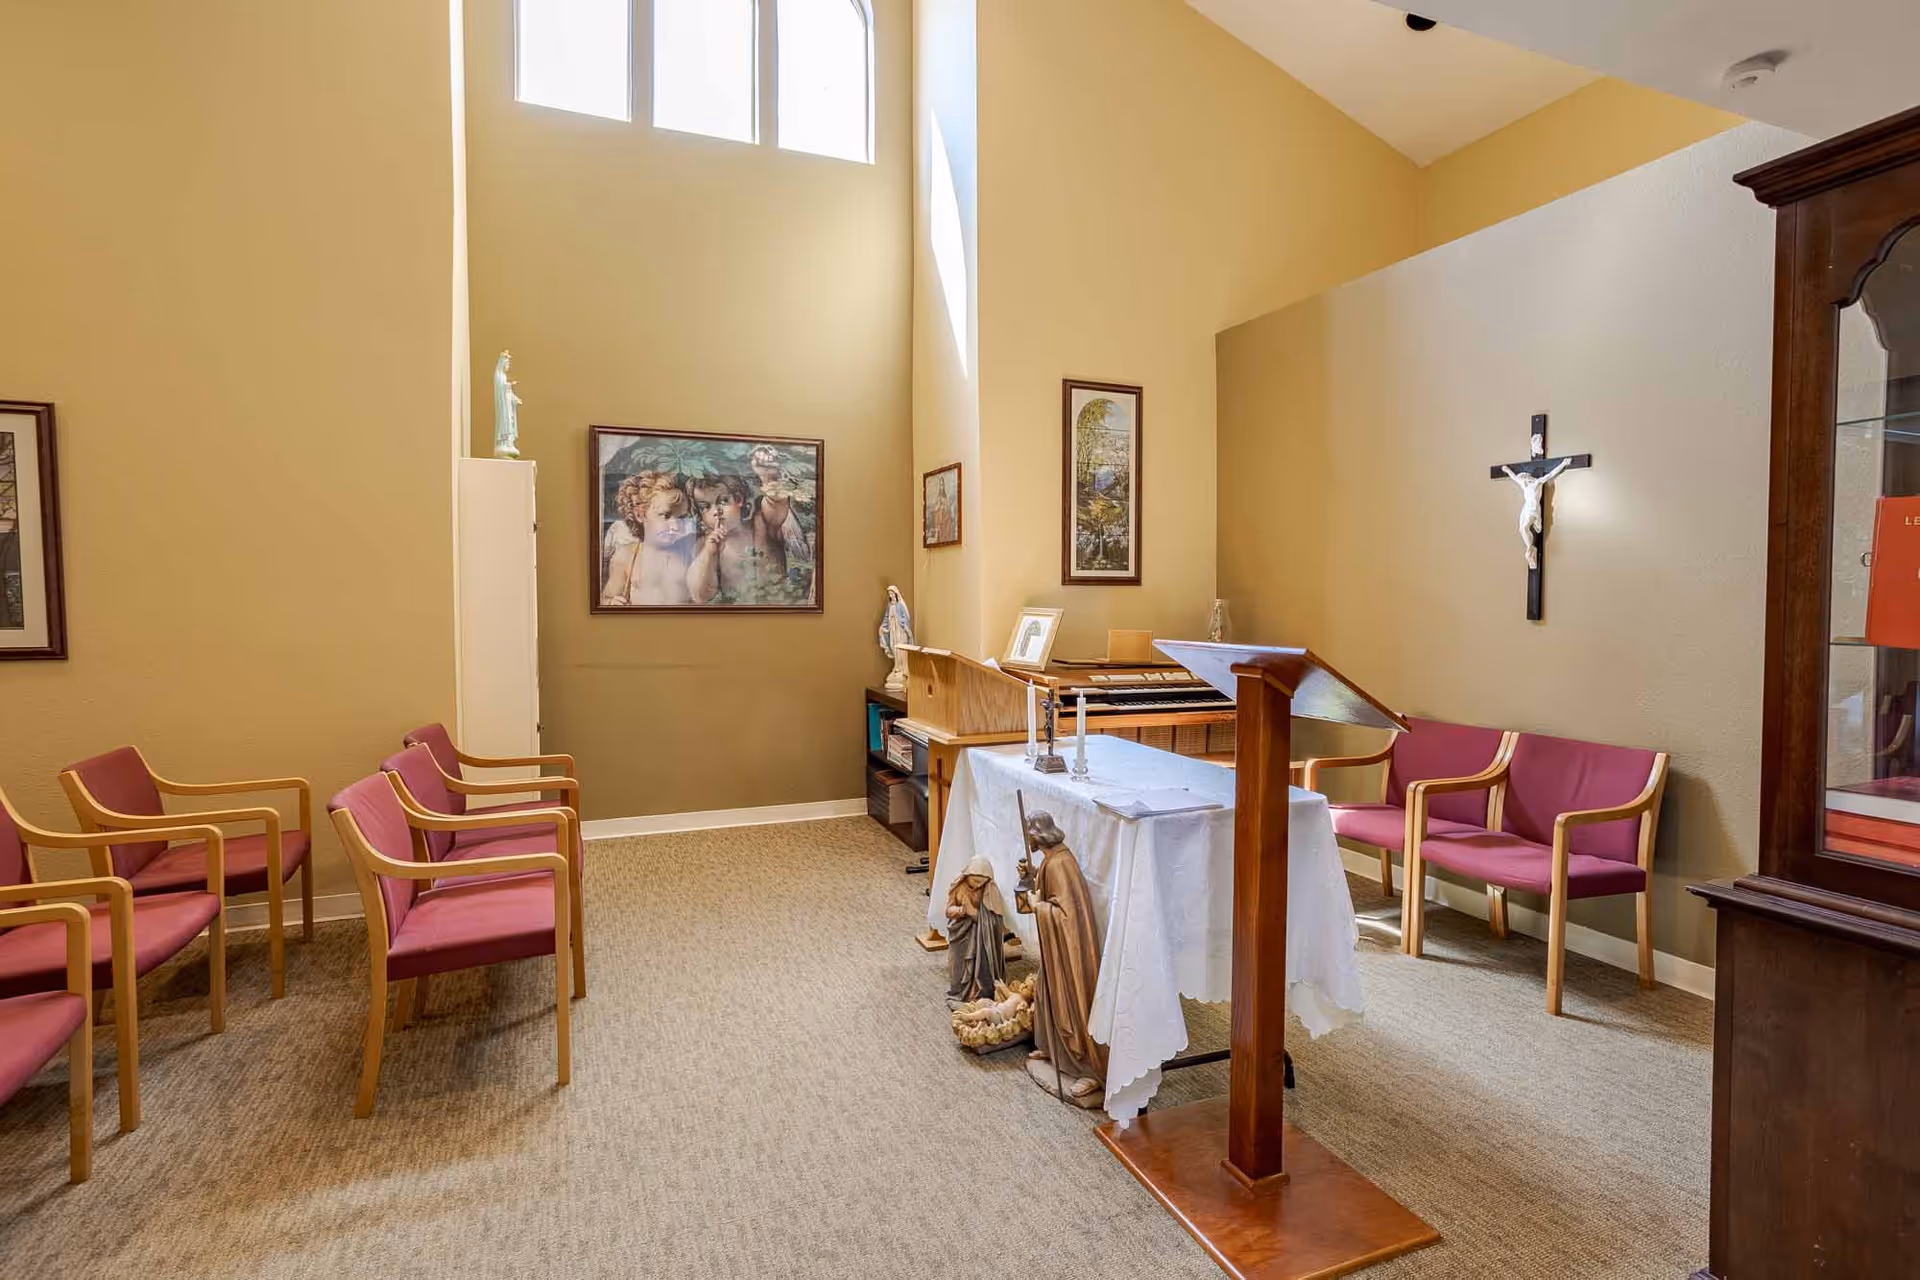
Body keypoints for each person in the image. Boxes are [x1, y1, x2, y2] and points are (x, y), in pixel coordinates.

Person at [1017, 810, 1106, 1107]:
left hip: (1069, 951)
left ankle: (1087, 1067)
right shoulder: (1050, 860)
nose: (1026, 839)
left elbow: (1064, 916)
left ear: (1037, 834)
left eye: (1028, 833)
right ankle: (1052, 1048)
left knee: (1070, 1002)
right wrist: (1030, 879)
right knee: (1045, 992)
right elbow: (1046, 891)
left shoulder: (1059, 864)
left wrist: (1036, 905)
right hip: (1055, 950)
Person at [601, 472, 695, 606]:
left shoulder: (689, 552)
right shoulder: (627, 556)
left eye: (680, 517)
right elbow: (606, 597)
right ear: (640, 514)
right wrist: (610, 603)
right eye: (665, 516)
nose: (675, 526)